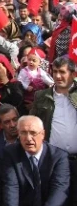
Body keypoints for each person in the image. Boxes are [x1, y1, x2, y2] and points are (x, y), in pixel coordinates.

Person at [30, 55, 77, 201]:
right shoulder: (42, 97)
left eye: (62, 72)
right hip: (53, 160)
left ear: (73, 74)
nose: (57, 76)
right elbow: (32, 124)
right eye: (55, 71)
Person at [2, 115, 70, 206]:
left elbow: (59, 190)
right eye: (23, 133)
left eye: (33, 133)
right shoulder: (11, 153)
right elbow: (11, 188)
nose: (28, 138)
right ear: (18, 134)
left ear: (42, 134)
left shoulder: (59, 156)